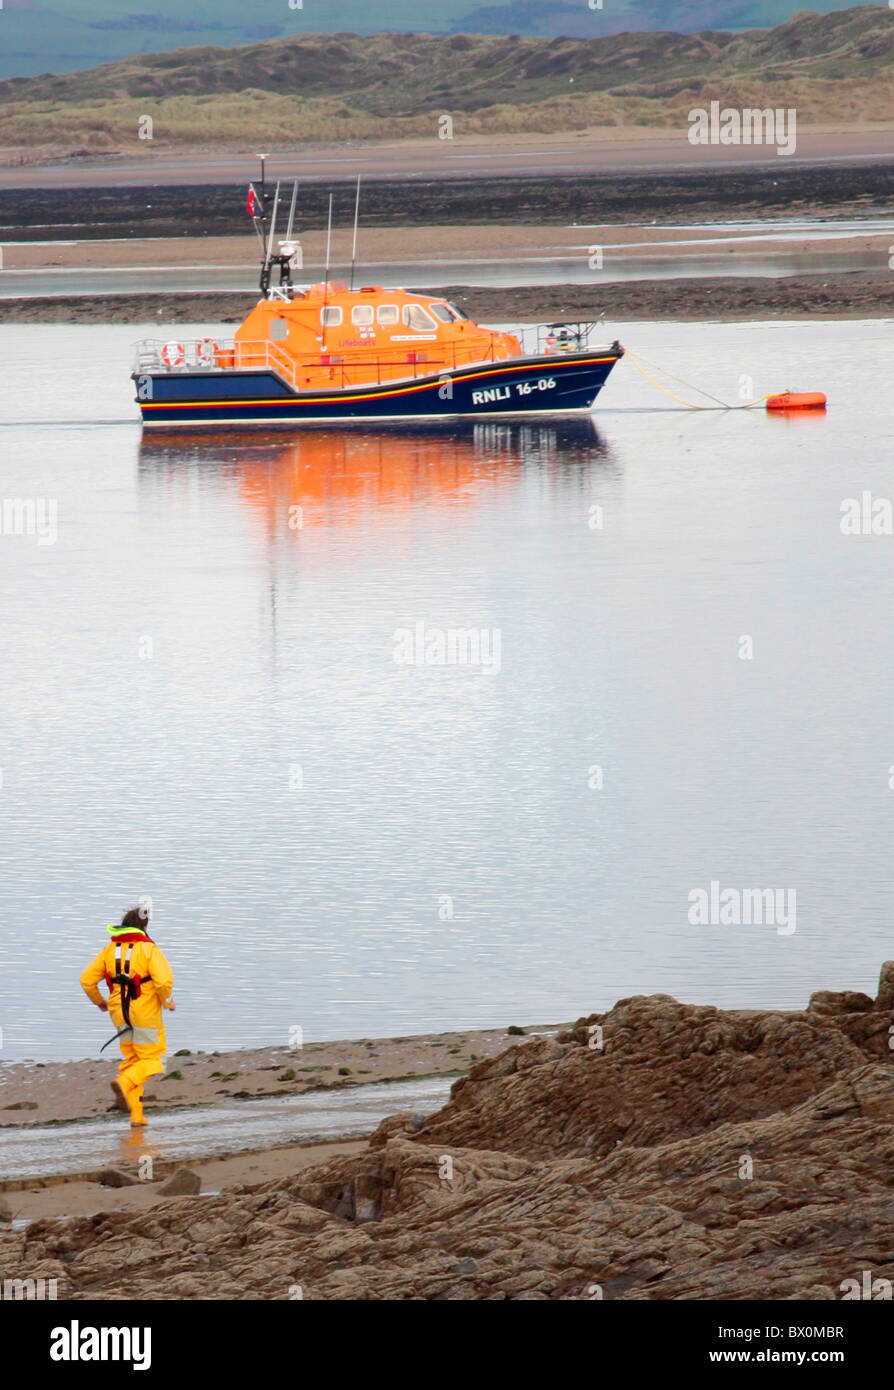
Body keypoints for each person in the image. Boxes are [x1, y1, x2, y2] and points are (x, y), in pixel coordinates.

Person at [80, 906, 175, 1126]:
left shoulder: (109, 950)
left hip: (118, 1012)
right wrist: (167, 1001)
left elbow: (86, 980)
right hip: (144, 1013)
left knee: (134, 1060)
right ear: (144, 926)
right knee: (154, 1060)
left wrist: (99, 1002)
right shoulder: (149, 950)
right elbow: (163, 981)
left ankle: (136, 1116)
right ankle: (124, 1084)